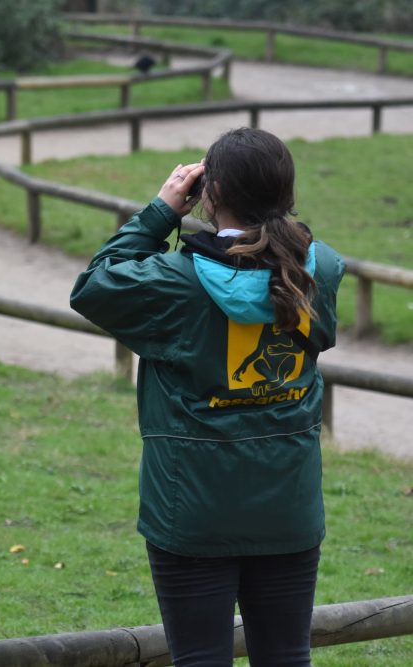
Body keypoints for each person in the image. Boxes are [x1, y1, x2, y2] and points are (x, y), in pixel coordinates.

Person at [69, 127, 346, 667]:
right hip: (287, 504)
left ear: (209, 192)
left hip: (190, 507)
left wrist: (160, 212)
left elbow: (94, 287)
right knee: (288, 657)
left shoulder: (173, 280)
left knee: (199, 659)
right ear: (286, 193)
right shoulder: (320, 270)